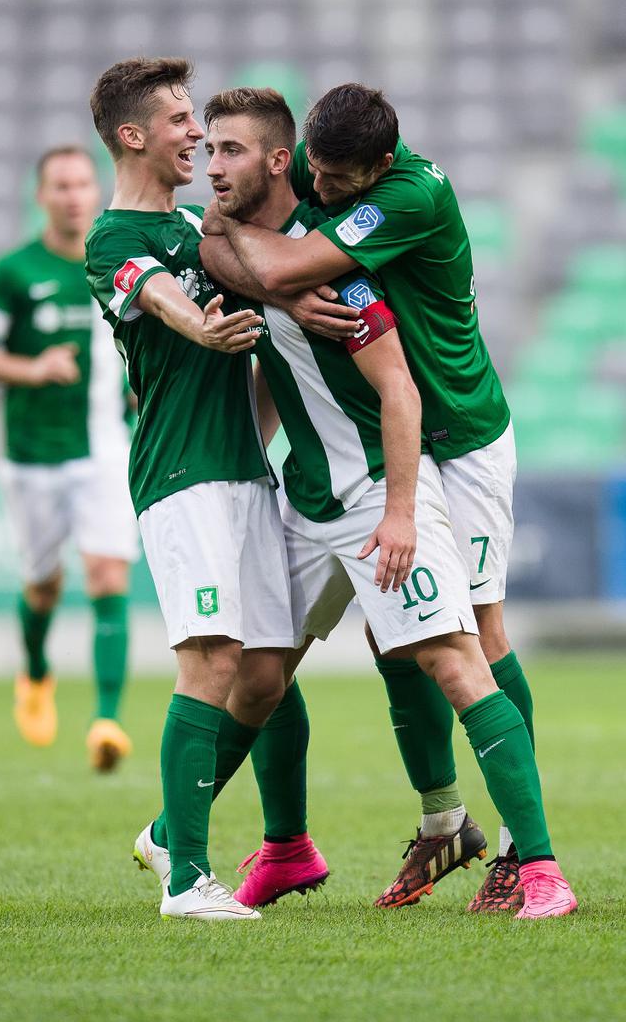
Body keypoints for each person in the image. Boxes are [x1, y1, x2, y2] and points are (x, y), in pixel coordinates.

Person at [140, 86, 577, 921]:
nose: (322, 185)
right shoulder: (308, 173)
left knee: (468, 638)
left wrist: (234, 243)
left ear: (375, 166)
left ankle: (534, 858)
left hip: (455, 438)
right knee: (282, 664)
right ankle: (357, 831)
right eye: (314, 169)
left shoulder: (400, 204)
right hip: (325, 484)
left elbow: (282, 271)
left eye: (337, 178)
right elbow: (262, 278)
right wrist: (249, 259)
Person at [85, 58, 356, 921]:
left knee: (267, 673)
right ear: (134, 136)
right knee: (208, 659)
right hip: (181, 474)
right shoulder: (113, 240)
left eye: (196, 118)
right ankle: (186, 878)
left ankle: (194, 837)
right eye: (178, 120)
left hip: (246, 471)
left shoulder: (207, 222)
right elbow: (160, 298)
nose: (195, 133)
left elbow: (271, 316)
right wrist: (201, 324)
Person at [0, 145, 139, 772]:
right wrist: (33, 368)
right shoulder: (15, 271)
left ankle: (107, 721)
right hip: (32, 455)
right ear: (41, 196)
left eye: (81, 184)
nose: (72, 196)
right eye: (59, 186)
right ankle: (36, 671)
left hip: (104, 448)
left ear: (96, 191)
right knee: (43, 585)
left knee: (108, 576)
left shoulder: (113, 267)